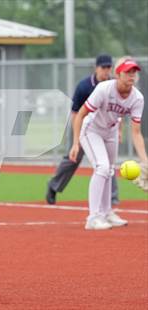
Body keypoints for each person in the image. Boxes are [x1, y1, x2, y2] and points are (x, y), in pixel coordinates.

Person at [69, 56, 147, 230]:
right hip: (91, 130)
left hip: (110, 132)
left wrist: (145, 161)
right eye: (128, 72)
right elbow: (80, 114)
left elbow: (136, 133)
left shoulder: (137, 98)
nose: (132, 75)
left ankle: (106, 213)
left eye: (134, 72)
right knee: (102, 168)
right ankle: (93, 217)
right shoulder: (104, 89)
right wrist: (75, 143)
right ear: (118, 75)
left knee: (110, 170)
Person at [46, 54, 120, 205]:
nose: (106, 70)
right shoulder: (84, 86)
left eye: (109, 67)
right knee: (73, 159)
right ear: (96, 68)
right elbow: (75, 113)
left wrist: (119, 130)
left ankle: (111, 196)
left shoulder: (113, 85)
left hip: (105, 129)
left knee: (107, 162)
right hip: (85, 129)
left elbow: (117, 110)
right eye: (103, 67)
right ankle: (53, 186)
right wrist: (76, 139)